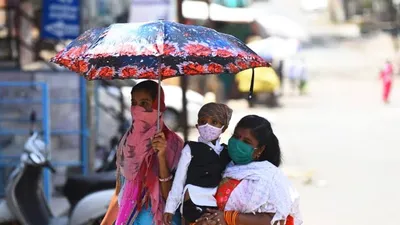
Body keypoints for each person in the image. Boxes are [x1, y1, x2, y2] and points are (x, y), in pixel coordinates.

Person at [101, 80, 184, 225]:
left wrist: (162, 157)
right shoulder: (127, 142)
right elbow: (120, 192)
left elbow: (171, 197)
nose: (138, 109)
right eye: (134, 103)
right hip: (129, 219)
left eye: (145, 103)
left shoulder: (173, 144)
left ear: (158, 105)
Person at [195, 115, 302, 225]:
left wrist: (229, 218)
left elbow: (275, 220)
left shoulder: (270, 178)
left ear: (259, 150)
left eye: (246, 141)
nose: (238, 143)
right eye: (236, 136)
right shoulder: (224, 165)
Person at [164, 103, 233, 225]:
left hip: (216, 206)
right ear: (197, 125)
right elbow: (179, 181)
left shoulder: (227, 152)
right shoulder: (190, 148)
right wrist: (170, 208)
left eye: (214, 122)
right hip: (192, 202)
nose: (207, 126)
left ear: (224, 127)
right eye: (203, 121)